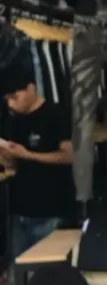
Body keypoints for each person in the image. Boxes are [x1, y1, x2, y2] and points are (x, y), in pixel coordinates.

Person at [1, 68, 74, 261]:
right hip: (20, 208)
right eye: (7, 100)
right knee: (19, 266)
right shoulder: (13, 121)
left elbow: (69, 156)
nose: (11, 104)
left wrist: (28, 155)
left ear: (31, 88)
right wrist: (7, 156)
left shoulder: (57, 115)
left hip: (50, 208)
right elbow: (14, 164)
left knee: (44, 268)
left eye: (15, 97)